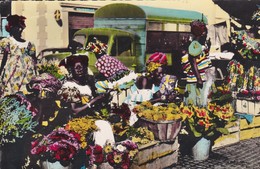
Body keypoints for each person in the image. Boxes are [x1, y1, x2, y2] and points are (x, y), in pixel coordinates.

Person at [0, 15, 37, 97]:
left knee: (25, 92)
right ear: (10, 29)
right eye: (15, 28)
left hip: (27, 71)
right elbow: (5, 58)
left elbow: (34, 60)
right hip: (12, 70)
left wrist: (36, 72)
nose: (18, 30)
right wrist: (1, 71)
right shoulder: (8, 41)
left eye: (19, 28)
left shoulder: (29, 44)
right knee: (11, 92)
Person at [181, 20, 214, 107]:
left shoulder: (200, 44)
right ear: (202, 33)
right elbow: (193, 62)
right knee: (196, 104)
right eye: (206, 32)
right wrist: (199, 78)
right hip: (195, 80)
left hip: (202, 78)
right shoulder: (194, 45)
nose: (207, 35)